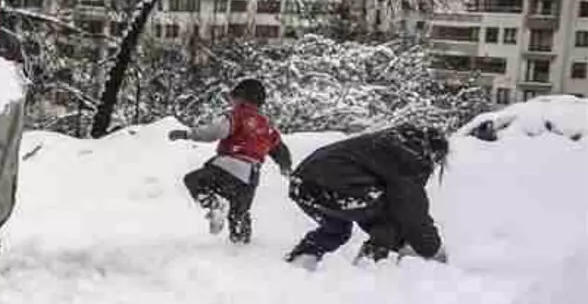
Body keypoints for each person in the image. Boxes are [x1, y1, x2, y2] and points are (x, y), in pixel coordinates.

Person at [283, 122, 451, 266]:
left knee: (336, 230)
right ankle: (370, 265)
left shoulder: (388, 143)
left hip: (302, 184)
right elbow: (412, 211)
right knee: (390, 219)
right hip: (330, 185)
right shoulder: (410, 156)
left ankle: (302, 260)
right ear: (434, 153)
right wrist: (432, 249)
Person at [169, 78, 293, 245]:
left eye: (233, 98)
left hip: (228, 168)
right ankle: (241, 251)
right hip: (250, 177)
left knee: (193, 180)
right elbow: (281, 151)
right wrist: (286, 169)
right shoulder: (267, 127)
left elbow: (216, 131)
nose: (232, 102)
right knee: (239, 215)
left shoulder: (238, 114)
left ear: (241, 97)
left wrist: (187, 134)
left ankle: (214, 204)